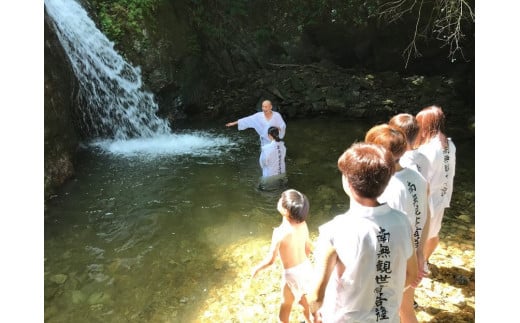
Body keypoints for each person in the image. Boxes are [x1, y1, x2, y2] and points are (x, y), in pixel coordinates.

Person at [309, 142, 418, 323]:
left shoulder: (334, 231)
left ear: (348, 183)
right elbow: (411, 275)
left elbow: (315, 297)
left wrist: (313, 313)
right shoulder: (402, 221)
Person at [365, 124, 430, 323]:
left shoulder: (389, 187)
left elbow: (393, 233)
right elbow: (426, 218)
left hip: (395, 263)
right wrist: (420, 255)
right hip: (412, 257)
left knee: (385, 314)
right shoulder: (417, 177)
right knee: (406, 311)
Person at [251, 189, 314, 323]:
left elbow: (271, 260)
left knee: (285, 305)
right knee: (304, 301)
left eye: (281, 199)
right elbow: (308, 248)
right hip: (306, 268)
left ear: (286, 211)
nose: (279, 199)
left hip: (291, 274)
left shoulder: (280, 233)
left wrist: (257, 268)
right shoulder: (303, 224)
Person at [414, 105, 456, 268]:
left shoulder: (427, 149)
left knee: (420, 235)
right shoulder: (449, 144)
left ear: (426, 125)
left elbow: (420, 178)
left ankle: (419, 264)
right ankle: (424, 261)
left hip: (429, 198)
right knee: (434, 232)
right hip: (442, 195)